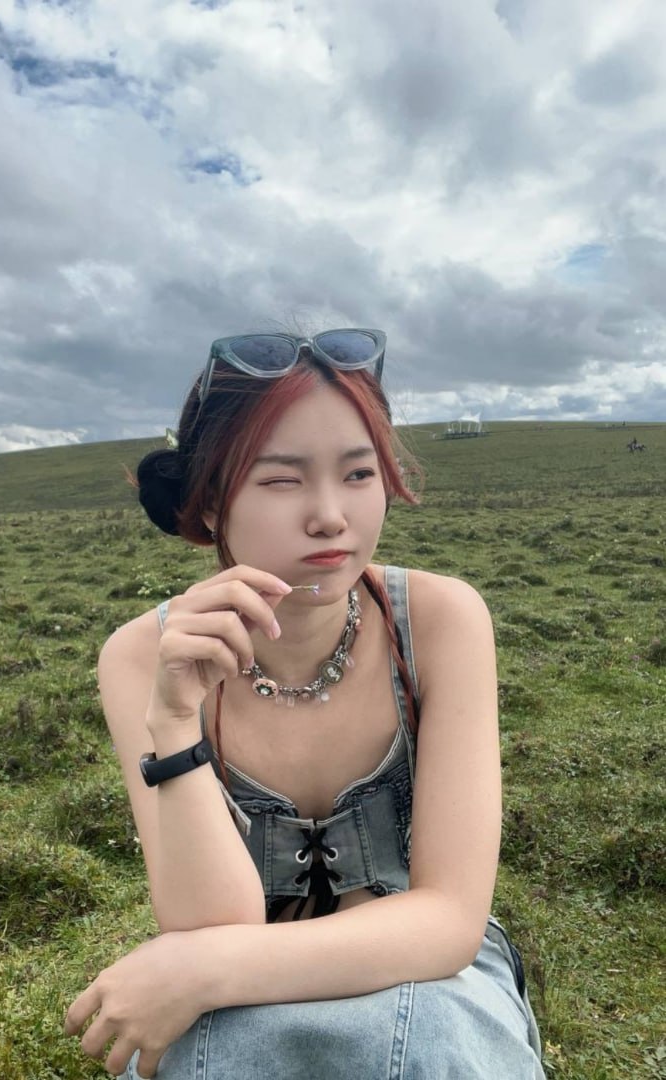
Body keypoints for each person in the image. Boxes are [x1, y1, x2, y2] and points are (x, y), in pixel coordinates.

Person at [65, 329, 545, 1078]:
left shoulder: (442, 620)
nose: (330, 515)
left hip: (422, 972)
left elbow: (449, 919)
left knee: (432, 1043)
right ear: (211, 503)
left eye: (358, 473)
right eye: (283, 480)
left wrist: (200, 970)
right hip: (232, 977)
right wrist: (175, 721)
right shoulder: (139, 657)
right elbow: (212, 923)